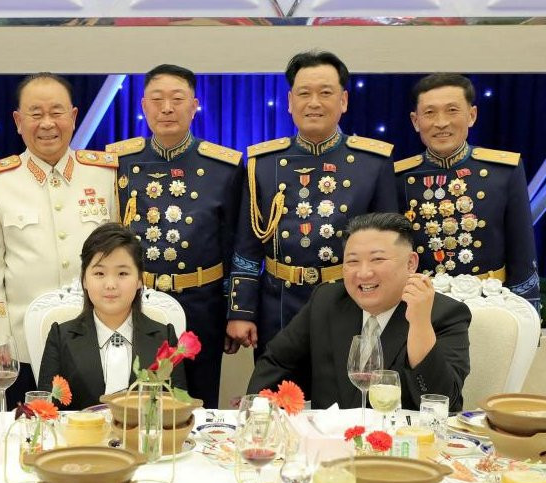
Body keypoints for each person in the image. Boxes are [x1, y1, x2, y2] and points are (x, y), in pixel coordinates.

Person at [227, 50, 399, 357]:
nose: (314, 103)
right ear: (290, 102)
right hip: (278, 304)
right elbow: (247, 245)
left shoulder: (373, 162)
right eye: (304, 93)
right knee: (278, 399)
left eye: (325, 93)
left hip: (350, 300)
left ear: (343, 101)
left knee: (344, 398)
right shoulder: (263, 163)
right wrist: (241, 310)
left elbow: (389, 246)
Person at [0, 72, 119, 408]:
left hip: (96, 334)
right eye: (35, 114)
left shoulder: (104, 174)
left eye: (56, 112)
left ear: (73, 116)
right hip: (23, 343)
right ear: (17, 121)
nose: (47, 124)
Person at [105, 64, 243, 409]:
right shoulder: (116, 162)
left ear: (194, 105)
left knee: (196, 401)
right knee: (133, 401)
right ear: (143, 106)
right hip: (136, 303)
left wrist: (235, 310)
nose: (167, 108)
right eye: (157, 99)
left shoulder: (223, 167)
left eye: (177, 99)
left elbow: (236, 245)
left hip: (201, 304)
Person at [247, 213, 471, 412]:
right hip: (330, 446)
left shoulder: (445, 314)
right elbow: (277, 362)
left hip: (401, 449)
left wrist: (420, 323)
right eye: (352, 261)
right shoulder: (327, 301)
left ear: (411, 263)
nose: (364, 274)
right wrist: (256, 417)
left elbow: (444, 403)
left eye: (378, 259)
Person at [396, 73, 539, 308]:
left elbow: (521, 250)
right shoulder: (398, 177)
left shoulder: (503, 170)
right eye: (430, 113)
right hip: (421, 307)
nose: (441, 122)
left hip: (492, 304)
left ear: (472, 115)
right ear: (415, 121)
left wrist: (526, 313)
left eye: (452, 110)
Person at [37, 223, 186, 410]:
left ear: (140, 279)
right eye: (99, 273)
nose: (110, 284)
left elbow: (177, 408)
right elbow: (45, 410)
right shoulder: (61, 336)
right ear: (84, 279)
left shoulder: (164, 337)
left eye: (122, 273)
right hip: (82, 437)